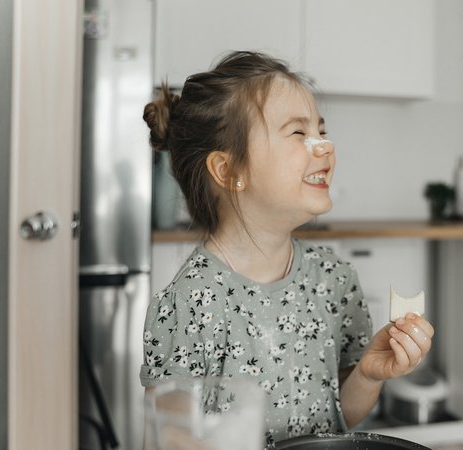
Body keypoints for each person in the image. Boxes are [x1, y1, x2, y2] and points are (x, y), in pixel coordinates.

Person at [140, 51, 434, 446]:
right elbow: (172, 438)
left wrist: (368, 374)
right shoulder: (189, 303)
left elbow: (339, 417)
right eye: (299, 133)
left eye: (322, 130)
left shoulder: (333, 279)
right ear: (229, 171)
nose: (325, 146)